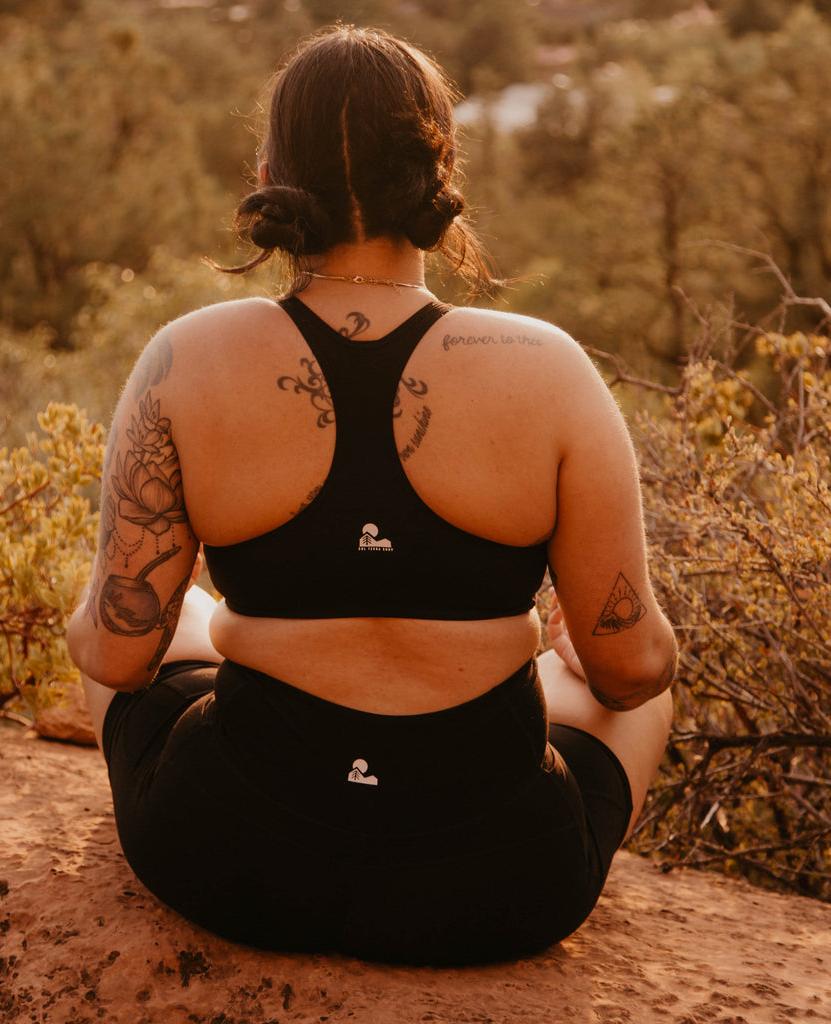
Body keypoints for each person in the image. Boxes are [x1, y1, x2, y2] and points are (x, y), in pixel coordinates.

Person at [66, 25, 677, 966]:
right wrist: (559, 647)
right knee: (630, 698)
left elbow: (115, 652)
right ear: (436, 171)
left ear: (272, 170)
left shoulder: (186, 358)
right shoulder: (548, 369)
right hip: (498, 883)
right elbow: (632, 667)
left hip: (227, 854)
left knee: (167, 618)